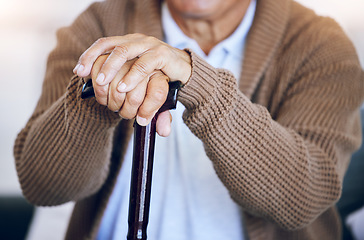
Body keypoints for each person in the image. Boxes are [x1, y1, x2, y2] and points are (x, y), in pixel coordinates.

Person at [14, 0, 364, 239]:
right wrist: (100, 89)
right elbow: (43, 186)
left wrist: (198, 82)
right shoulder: (101, 23)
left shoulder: (321, 43)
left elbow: (302, 198)